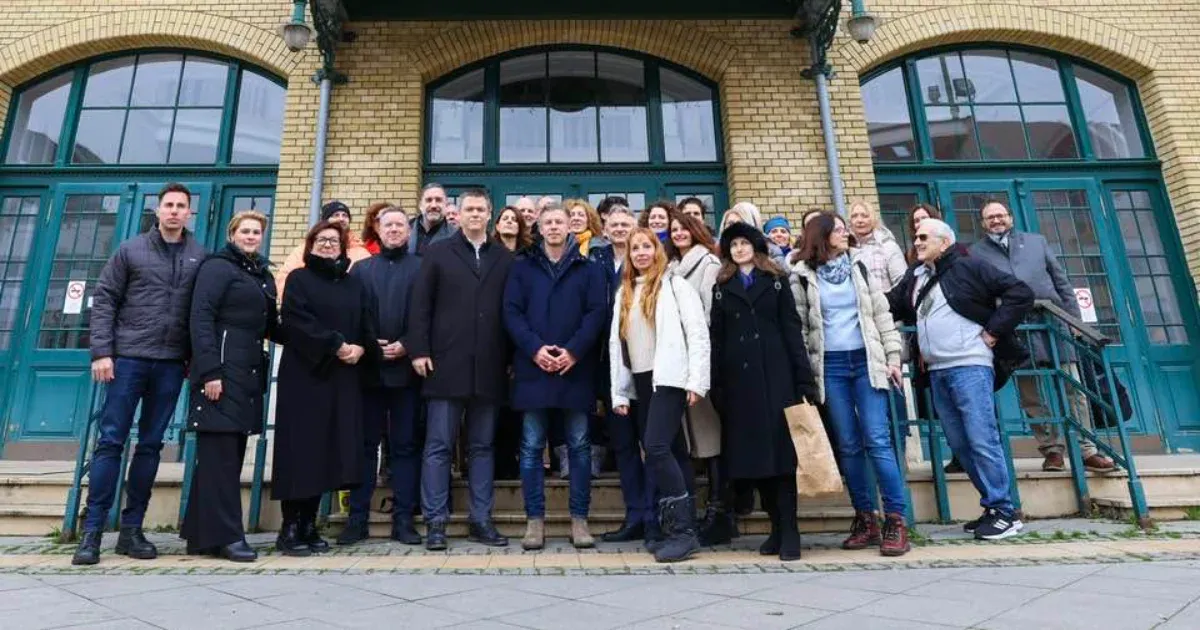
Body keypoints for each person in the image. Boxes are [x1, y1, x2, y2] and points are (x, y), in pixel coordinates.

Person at [72, 182, 208, 566]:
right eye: (169, 205)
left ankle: (132, 531)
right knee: (111, 442)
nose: (175, 211)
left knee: (150, 446)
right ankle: (93, 532)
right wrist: (102, 352)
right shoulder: (130, 250)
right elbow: (105, 301)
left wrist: (194, 360)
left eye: (182, 206)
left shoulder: (200, 255)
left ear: (189, 213)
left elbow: (202, 314)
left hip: (169, 364)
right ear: (158, 209)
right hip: (127, 359)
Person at [887, 218, 1034, 540]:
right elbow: (891, 304)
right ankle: (993, 508)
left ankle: (1005, 512)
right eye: (915, 237)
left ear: (945, 242)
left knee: (981, 438)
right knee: (960, 442)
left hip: (969, 365)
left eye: (924, 237)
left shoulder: (969, 266)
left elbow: (1020, 293)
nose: (917, 242)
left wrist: (995, 331)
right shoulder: (916, 274)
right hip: (937, 370)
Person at [791, 213, 910, 557]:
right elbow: (800, 329)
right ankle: (865, 518)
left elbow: (881, 315)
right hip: (831, 367)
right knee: (848, 445)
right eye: (839, 229)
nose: (846, 233)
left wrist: (892, 357)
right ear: (822, 236)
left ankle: (896, 520)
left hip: (866, 362)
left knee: (877, 439)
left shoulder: (858, 267)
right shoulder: (802, 275)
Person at [969, 200, 1116, 474]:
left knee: (1074, 388)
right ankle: (1052, 452)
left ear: (1010, 218)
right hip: (1014, 329)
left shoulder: (1036, 242)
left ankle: (1087, 450)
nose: (996, 220)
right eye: (990, 217)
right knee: (1031, 394)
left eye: (1001, 215)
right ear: (983, 223)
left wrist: (1075, 322)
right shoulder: (976, 253)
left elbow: (1061, 281)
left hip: (1053, 323)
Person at [408, 188, 515, 550]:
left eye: (480, 209)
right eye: (468, 208)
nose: (474, 214)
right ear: (460, 213)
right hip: (444, 363)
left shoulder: (503, 257)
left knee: (482, 447)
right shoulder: (437, 252)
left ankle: (480, 520)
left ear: (490, 213)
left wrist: (512, 359)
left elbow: (511, 311)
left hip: (489, 365)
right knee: (438, 446)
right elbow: (420, 305)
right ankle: (435, 521)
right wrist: (419, 350)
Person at [710, 222, 817, 562]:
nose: (739, 249)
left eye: (744, 243)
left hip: (777, 378)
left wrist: (803, 380)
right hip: (741, 386)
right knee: (755, 462)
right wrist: (718, 384)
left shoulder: (776, 281)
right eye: (733, 244)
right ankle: (774, 526)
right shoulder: (722, 287)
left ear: (755, 247)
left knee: (782, 461)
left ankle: (790, 529)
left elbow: (791, 329)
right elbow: (717, 339)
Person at [503, 204, 608, 550]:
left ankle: (580, 519)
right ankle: (535, 522)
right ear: (539, 228)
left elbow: (596, 313)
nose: (553, 227)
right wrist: (535, 350)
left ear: (570, 228)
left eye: (559, 222)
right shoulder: (522, 268)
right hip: (533, 368)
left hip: (574, 369)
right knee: (532, 447)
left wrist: (573, 352)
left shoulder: (588, 269)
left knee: (578, 446)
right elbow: (512, 313)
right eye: (547, 222)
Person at [273, 220, 379, 556]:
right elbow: (295, 320)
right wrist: (335, 345)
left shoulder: (352, 284)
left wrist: (362, 346)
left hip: (342, 378)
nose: (328, 245)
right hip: (306, 377)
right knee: (302, 451)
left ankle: (309, 523)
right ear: (310, 244)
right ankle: (289, 527)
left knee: (327, 452)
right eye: (321, 240)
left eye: (334, 240)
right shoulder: (299, 279)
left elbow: (367, 320)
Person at [181, 210, 280, 563]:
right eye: (246, 231)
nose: (252, 236)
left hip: (246, 374)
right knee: (220, 457)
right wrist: (209, 372)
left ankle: (199, 534)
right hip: (220, 375)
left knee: (224, 457)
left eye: (257, 232)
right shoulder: (217, 267)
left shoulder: (259, 274)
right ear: (232, 233)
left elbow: (272, 325)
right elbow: (201, 317)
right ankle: (226, 536)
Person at [609, 228, 710, 563]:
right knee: (675, 450)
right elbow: (617, 346)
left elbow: (696, 333)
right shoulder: (624, 292)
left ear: (657, 250)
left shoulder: (674, 285)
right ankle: (681, 529)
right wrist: (619, 392)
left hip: (668, 377)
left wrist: (697, 381)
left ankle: (682, 532)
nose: (640, 253)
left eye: (646, 247)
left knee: (655, 447)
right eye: (634, 248)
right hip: (640, 381)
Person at [336, 205, 426, 546]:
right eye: (388, 225)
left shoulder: (422, 267)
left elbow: (429, 315)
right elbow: (351, 316)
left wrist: (407, 344)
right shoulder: (359, 269)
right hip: (369, 373)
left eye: (400, 225)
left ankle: (404, 521)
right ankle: (356, 520)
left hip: (407, 374)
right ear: (378, 228)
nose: (394, 230)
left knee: (405, 447)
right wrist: (371, 345)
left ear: (408, 230)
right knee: (364, 447)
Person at [664, 209, 730, 545]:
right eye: (673, 230)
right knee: (692, 440)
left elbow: (708, 314)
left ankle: (719, 510)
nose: (677, 234)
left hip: (699, 362)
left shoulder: (707, 264)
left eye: (683, 229)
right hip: (677, 362)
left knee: (709, 439)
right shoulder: (671, 267)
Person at [596, 205, 655, 544]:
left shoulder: (649, 266)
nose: (619, 229)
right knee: (624, 446)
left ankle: (654, 515)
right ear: (605, 229)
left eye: (626, 224)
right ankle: (634, 514)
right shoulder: (596, 262)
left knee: (652, 443)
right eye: (614, 224)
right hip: (611, 365)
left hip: (647, 365)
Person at [566, 198, 614, 478]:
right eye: (571, 215)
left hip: (596, 332)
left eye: (581, 215)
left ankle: (599, 456)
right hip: (568, 333)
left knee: (597, 398)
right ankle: (568, 459)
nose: (575, 219)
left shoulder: (599, 250)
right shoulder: (559, 248)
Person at [492, 205, 533, 481]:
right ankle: (498, 460)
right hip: (494, 336)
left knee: (518, 405)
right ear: (496, 225)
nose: (508, 223)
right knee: (495, 405)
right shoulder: (489, 256)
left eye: (513, 219)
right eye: (504, 219)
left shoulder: (529, 258)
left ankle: (516, 459)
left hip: (521, 336)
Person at [275, 201, 371, 297]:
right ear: (325, 221)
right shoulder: (304, 250)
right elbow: (285, 278)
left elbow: (371, 284)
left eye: (345, 215)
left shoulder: (362, 252)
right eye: (335, 215)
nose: (341, 219)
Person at [848, 199, 906, 290]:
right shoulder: (846, 248)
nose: (859, 220)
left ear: (873, 219)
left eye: (865, 216)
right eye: (854, 216)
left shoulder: (888, 246)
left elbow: (902, 282)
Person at [410, 184, 458, 255]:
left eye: (438, 200)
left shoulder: (456, 237)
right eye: (428, 200)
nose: (433, 205)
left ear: (446, 205)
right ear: (420, 205)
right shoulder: (405, 229)